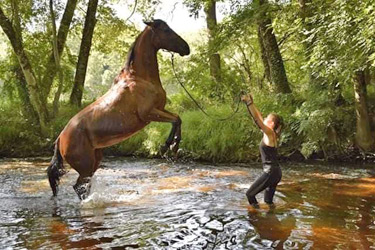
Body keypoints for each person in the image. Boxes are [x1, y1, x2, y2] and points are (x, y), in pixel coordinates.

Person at [241, 93, 283, 208]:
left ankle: (257, 216)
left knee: (250, 194)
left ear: (272, 124)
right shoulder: (272, 134)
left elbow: (257, 120)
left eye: (266, 119)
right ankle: (272, 220)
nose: (264, 119)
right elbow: (258, 116)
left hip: (270, 172)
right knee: (268, 202)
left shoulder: (269, 133)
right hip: (276, 172)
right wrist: (251, 104)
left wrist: (249, 102)